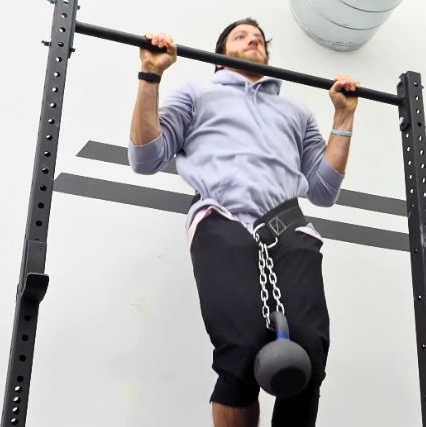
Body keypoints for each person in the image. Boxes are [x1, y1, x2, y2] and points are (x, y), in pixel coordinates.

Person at [128, 17, 359, 427]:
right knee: (243, 348)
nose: (253, 39)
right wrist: (151, 75)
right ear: (220, 58)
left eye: (259, 38)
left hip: (288, 224)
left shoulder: (297, 112)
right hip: (222, 217)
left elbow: (324, 191)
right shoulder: (197, 94)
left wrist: (343, 118)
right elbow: (145, 159)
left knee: (308, 357)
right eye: (241, 36)